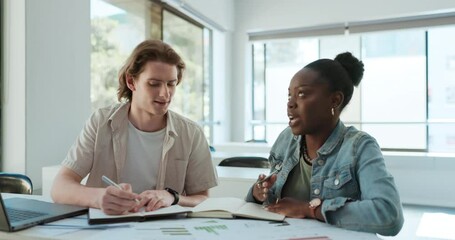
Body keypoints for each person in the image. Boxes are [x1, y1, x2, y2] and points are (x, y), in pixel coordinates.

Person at [51, 40, 218, 215]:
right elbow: (60, 187)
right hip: (106, 229)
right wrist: (98, 198)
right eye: (154, 84)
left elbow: (202, 199)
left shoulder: (192, 133)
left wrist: (173, 197)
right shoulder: (101, 121)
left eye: (171, 83)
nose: (165, 94)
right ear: (131, 82)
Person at [245, 52, 404, 236]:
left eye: (302, 94)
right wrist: (259, 194)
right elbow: (274, 204)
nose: (290, 104)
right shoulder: (286, 138)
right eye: (290, 95)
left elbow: (389, 215)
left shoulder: (360, 146)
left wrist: (309, 209)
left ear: (335, 100)